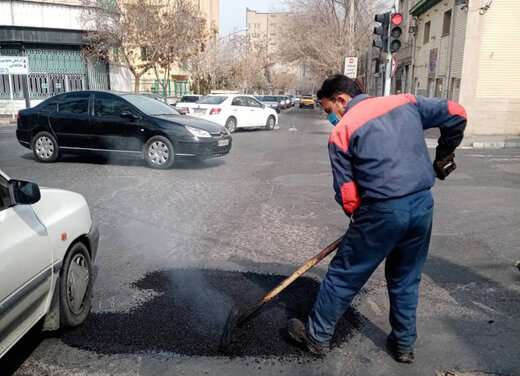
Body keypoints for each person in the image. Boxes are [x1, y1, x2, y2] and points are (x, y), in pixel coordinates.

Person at [287, 74, 467, 363]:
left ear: (341, 100)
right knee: (406, 277)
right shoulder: (406, 102)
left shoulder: (342, 132)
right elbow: (457, 113)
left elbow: (348, 195)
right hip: (422, 205)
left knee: (344, 276)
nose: (330, 117)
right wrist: (444, 154)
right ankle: (404, 344)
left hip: (381, 212)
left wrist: (360, 221)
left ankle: (317, 337)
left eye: (328, 110)